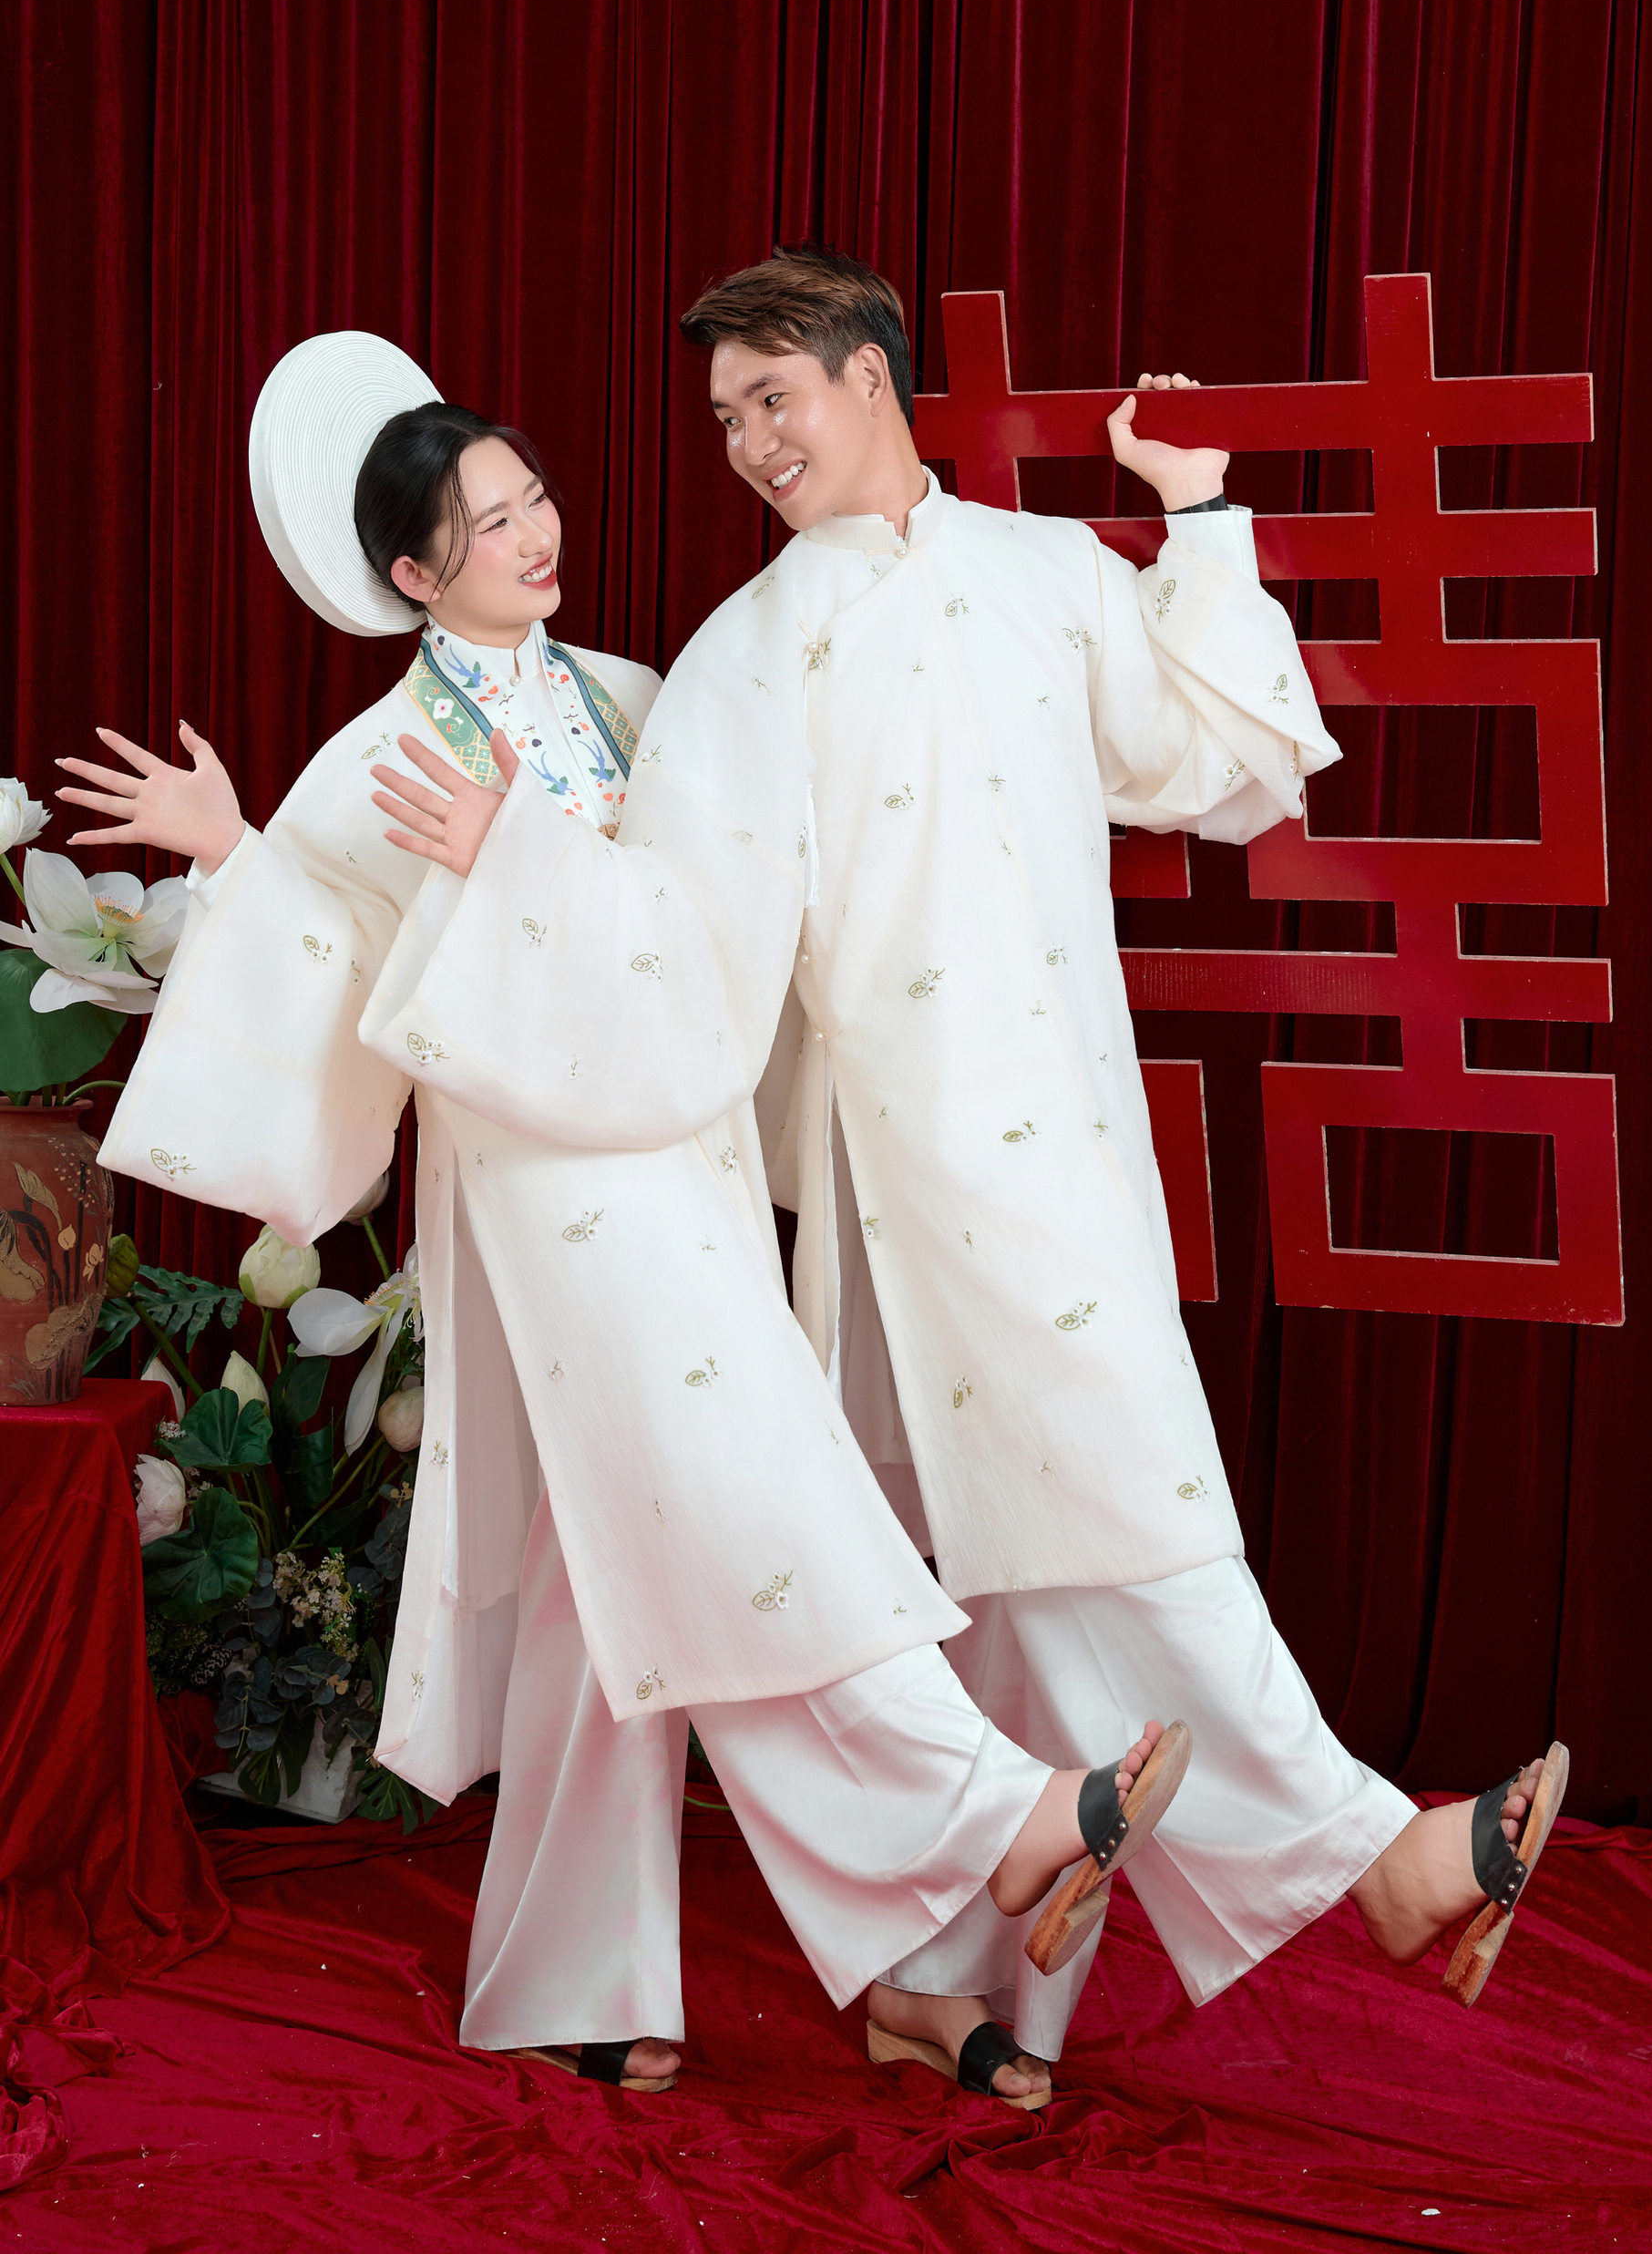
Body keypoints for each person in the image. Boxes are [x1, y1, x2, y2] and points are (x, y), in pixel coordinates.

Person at [58, 330, 1176, 2107]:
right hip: (546, 1198)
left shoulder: (640, 699)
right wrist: (235, 855)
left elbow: (738, 905)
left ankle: (604, 1972)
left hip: (689, 1159)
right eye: (488, 525)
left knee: (619, 1573)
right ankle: (988, 1828)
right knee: (755, 1502)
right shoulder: (375, 759)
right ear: (411, 576)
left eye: (534, 499)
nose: (534, 537)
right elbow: (338, 973)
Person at [654, 246, 1564, 2050]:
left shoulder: (1045, 569)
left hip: (1067, 1105)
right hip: (911, 1147)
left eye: (775, 395)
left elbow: (1213, 758)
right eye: (728, 418)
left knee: (1004, 1551)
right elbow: (678, 935)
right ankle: (1371, 1852)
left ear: (868, 374)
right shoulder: (743, 652)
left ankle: (947, 1984)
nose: (751, 442)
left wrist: (1199, 519)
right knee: (1123, 1489)